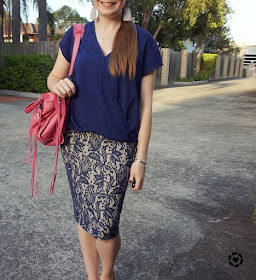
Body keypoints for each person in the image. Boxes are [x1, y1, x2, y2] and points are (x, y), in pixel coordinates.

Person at [47, 1, 162, 279]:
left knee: (106, 223)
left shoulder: (142, 41)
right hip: (76, 143)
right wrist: (56, 84)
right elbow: (53, 76)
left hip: (119, 147)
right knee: (85, 215)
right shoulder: (75, 35)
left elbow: (146, 107)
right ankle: (91, 276)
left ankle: (107, 274)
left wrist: (141, 159)